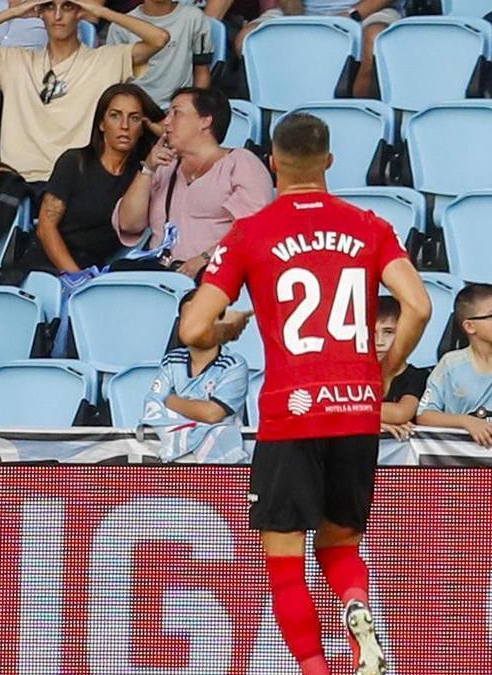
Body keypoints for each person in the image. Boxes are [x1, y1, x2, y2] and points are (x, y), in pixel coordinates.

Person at [179, 112, 431, 675]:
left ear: (273, 163)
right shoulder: (367, 225)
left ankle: (316, 669)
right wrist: (386, 368)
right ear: (330, 163)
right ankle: (356, 606)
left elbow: (194, 329)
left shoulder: (251, 232)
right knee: (340, 545)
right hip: (356, 409)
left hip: (290, 414)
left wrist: (226, 329)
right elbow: (418, 305)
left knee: (286, 563)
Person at [0, 0, 169, 190]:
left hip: (77, 180)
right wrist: (14, 12)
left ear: (79, 12)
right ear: (40, 12)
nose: (58, 15)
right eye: (50, 7)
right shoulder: (14, 61)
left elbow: (159, 38)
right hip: (18, 181)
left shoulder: (104, 60)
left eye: (68, 7)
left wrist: (101, 12)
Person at [114, 87, 273, 278]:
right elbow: (129, 224)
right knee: (118, 271)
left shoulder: (241, 163)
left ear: (205, 121)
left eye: (176, 113)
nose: (166, 121)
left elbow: (253, 232)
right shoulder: (164, 166)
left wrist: (205, 259)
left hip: (216, 277)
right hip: (160, 274)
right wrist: (147, 169)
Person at [19, 83, 164, 273]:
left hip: (97, 269)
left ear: (143, 126)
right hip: (48, 262)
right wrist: (76, 276)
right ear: (101, 123)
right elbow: (46, 228)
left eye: (134, 118)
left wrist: (156, 128)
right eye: (115, 115)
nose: (124, 126)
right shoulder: (75, 162)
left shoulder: (143, 175)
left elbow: (183, 142)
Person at [142, 292, 250, 463]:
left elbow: (213, 414)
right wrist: (195, 411)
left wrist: (172, 402)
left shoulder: (234, 365)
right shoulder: (171, 361)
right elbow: (153, 405)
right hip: (175, 460)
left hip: (221, 460)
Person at [235, 0, 402, 98]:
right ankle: (275, 107)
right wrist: (301, 21)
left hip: (366, 12)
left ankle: (356, 108)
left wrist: (352, 15)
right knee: (247, 39)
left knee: (374, 39)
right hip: (303, 13)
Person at [416, 284, 492, 449]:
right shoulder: (450, 364)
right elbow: (424, 415)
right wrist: (466, 422)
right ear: (470, 326)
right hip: (460, 463)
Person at [105, 0, 214, 109]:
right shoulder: (120, 27)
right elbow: (114, 81)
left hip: (179, 108)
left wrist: (194, 108)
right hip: (136, 109)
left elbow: (201, 71)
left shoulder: (194, 18)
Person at [375, 295, 428, 441]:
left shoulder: (417, 376)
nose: (379, 341)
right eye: (372, 333)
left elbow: (401, 413)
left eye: (388, 332)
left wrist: (350, 414)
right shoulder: (354, 375)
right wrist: (375, 423)